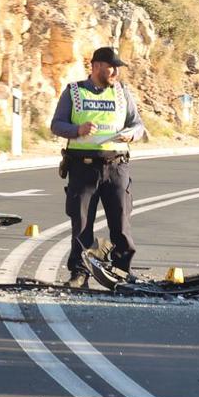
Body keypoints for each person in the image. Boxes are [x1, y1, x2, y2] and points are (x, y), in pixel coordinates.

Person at [50, 46, 147, 289]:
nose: (114, 71)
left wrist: (131, 136)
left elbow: (138, 125)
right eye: (109, 66)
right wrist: (77, 130)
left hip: (116, 166)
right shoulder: (74, 92)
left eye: (116, 67)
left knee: (121, 223)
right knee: (81, 224)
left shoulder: (123, 92)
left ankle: (122, 272)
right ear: (95, 66)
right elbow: (56, 124)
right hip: (83, 167)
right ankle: (79, 273)